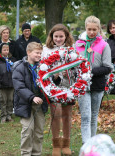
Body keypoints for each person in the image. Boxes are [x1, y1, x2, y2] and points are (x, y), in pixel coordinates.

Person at [76, 16, 113, 144]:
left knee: (93, 116)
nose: (91, 32)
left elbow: (108, 67)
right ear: (85, 28)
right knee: (85, 116)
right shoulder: (78, 44)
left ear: (99, 29)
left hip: (97, 83)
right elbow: (74, 63)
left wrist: (90, 72)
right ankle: (86, 144)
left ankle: (92, 143)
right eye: (89, 29)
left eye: (94, 29)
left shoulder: (104, 45)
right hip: (82, 84)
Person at [42, 24, 75, 156]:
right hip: (52, 86)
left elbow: (77, 67)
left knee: (67, 115)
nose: (59, 39)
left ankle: (66, 144)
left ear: (66, 36)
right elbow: (42, 67)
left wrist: (70, 72)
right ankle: (56, 145)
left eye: (61, 36)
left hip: (68, 85)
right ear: (52, 36)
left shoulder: (71, 50)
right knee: (55, 114)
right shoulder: (46, 49)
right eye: (56, 36)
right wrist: (52, 74)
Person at [12, 42, 48, 156]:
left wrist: (55, 79)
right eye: (37, 53)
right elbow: (19, 86)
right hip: (25, 104)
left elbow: (48, 82)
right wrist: (32, 97)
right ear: (28, 52)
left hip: (40, 104)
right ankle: (26, 153)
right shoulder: (19, 67)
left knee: (39, 132)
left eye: (40, 53)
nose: (39, 55)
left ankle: (36, 153)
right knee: (28, 130)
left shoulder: (43, 66)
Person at [0, 25, 17, 110]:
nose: (6, 34)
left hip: (10, 73)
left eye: (7, 33)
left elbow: (17, 57)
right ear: (1, 34)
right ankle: (2, 110)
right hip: (0, 73)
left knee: (11, 94)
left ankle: (11, 110)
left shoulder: (13, 44)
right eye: (4, 33)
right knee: (1, 94)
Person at [0, 43, 16, 124]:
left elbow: (15, 70)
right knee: (3, 101)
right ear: (1, 51)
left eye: (7, 50)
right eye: (4, 50)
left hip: (11, 84)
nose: (6, 52)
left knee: (10, 100)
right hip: (2, 85)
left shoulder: (12, 59)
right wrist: (1, 79)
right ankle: (3, 116)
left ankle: (9, 115)